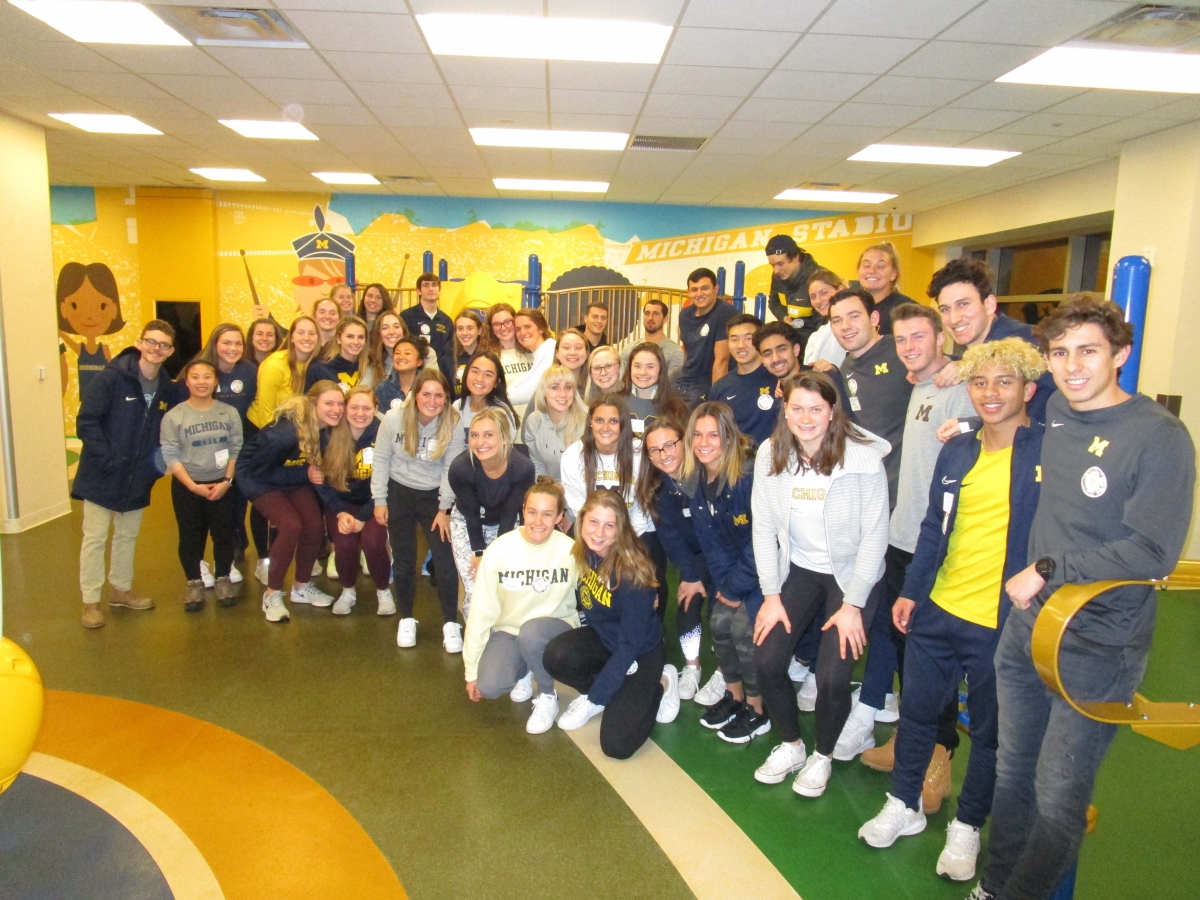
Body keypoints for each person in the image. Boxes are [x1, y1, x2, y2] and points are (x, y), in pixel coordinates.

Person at [973, 296, 1195, 900]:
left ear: (1120, 354)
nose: (1072, 367)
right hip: (1029, 628)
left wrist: (1049, 569)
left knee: (1058, 797)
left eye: (1088, 351)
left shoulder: (1160, 438)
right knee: (1012, 771)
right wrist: (965, 426)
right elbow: (1003, 408)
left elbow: (1153, 553)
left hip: (1100, 644)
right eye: (1060, 353)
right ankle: (993, 886)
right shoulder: (1058, 414)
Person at [857, 338, 1047, 884]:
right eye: (980, 383)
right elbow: (932, 528)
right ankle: (904, 803)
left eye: (1004, 382)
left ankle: (967, 826)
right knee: (918, 715)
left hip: (999, 622)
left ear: (1029, 389)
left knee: (989, 734)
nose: (990, 393)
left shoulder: (1046, 453)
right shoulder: (958, 449)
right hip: (938, 610)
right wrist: (912, 592)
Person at [749, 372, 890, 794]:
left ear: (832, 412)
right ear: (785, 409)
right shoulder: (771, 453)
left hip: (852, 575)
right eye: (797, 408)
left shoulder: (863, 459)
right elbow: (763, 528)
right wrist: (771, 595)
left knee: (832, 675)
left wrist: (853, 605)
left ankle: (822, 755)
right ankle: (792, 744)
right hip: (799, 568)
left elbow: (875, 536)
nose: (806, 418)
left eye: (816, 408)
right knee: (767, 658)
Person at [858, 303, 976, 797]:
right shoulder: (920, 386)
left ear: (940, 337)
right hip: (900, 536)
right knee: (907, 650)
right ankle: (912, 738)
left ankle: (939, 754)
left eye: (919, 337)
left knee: (933, 657)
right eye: (902, 339)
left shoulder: (959, 388)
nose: (909, 347)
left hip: (937, 546)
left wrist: (966, 366)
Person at [543, 489, 681, 759]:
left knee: (616, 745)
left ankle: (663, 681)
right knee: (556, 656)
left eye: (609, 525)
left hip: (639, 651)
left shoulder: (631, 571)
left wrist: (599, 695)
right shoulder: (584, 550)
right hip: (606, 639)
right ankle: (607, 691)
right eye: (594, 522)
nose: (599, 533)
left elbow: (630, 645)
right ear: (582, 520)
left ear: (620, 530)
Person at [74, 320, 177, 629]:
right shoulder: (112, 377)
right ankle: (90, 602)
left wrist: (154, 469)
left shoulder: (167, 388)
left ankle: (120, 590)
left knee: (127, 535)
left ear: (170, 351)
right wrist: (107, 458)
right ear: (139, 343)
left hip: (138, 477)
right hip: (102, 473)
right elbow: (87, 420)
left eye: (163, 345)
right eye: (151, 342)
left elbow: (166, 431)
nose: (156, 349)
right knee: (95, 537)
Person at [463, 478, 580, 735]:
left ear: (559, 516)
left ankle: (547, 695)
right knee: (489, 686)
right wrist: (471, 671)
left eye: (547, 514)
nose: (538, 521)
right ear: (523, 511)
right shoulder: (500, 549)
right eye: (532, 512)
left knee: (532, 632)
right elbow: (480, 612)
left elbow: (598, 587)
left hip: (555, 629)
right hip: (511, 632)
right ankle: (526, 665)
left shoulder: (571, 550)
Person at [679, 402, 767, 743]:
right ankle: (735, 695)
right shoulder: (696, 480)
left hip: (765, 572)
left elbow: (762, 543)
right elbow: (710, 543)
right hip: (731, 574)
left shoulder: (748, 477)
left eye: (713, 435)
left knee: (743, 629)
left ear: (728, 438)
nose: (704, 443)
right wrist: (726, 589)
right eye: (698, 435)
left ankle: (757, 709)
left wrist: (735, 589)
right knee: (717, 621)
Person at [371, 369, 466, 652]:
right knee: (403, 560)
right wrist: (379, 500)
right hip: (399, 492)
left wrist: (444, 508)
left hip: (434, 497)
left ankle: (450, 623)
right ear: (415, 395)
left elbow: (451, 467)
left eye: (439, 395)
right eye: (426, 394)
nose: (432, 401)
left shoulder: (453, 421)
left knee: (445, 561)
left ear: (446, 398)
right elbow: (381, 459)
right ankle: (406, 618)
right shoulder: (394, 418)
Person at [237, 381, 342, 622]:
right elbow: (259, 471)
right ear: (313, 404)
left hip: (292, 476)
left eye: (340, 403)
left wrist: (312, 471)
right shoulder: (283, 434)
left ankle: (301, 587)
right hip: (258, 479)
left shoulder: (327, 429)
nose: (336, 409)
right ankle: (272, 593)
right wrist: (306, 472)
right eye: (329, 403)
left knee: (314, 526)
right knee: (291, 526)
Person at [930, 257, 1057, 424]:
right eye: (945, 309)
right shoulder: (982, 347)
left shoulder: (1027, 343)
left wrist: (969, 425)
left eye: (963, 304)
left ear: (989, 304)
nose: (954, 319)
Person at [160, 359, 243, 611]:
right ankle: (193, 583)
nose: (201, 382)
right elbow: (170, 454)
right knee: (190, 537)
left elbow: (236, 448)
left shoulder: (229, 412)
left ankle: (223, 579)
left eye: (207, 376)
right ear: (187, 382)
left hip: (222, 485)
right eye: (195, 377)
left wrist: (227, 481)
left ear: (216, 381)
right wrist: (192, 486)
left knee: (224, 535)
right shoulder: (174, 416)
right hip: (188, 487)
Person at [637, 418, 710, 703]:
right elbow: (673, 542)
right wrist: (690, 576)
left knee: (725, 615)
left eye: (669, 445)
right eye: (654, 450)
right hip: (695, 558)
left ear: (685, 442)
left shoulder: (707, 474)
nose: (663, 454)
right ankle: (692, 666)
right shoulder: (658, 490)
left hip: (727, 555)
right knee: (687, 606)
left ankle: (727, 673)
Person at [313, 385, 393, 616]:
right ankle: (348, 590)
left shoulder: (384, 434)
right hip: (341, 502)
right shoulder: (328, 435)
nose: (360, 413)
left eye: (366, 408)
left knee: (373, 542)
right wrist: (340, 512)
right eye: (354, 407)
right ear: (345, 408)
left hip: (375, 501)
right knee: (345, 544)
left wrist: (363, 516)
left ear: (376, 409)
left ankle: (383, 591)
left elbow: (390, 480)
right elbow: (321, 482)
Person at [448, 408, 536, 616]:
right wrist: (479, 552)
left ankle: (503, 630)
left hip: (506, 523)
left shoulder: (523, 468)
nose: (480, 442)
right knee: (476, 588)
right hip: (468, 522)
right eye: (474, 435)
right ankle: (475, 634)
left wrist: (497, 555)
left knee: (505, 584)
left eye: (488, 434)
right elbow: (471, 514)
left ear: (504, 438)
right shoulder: (460, 469)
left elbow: (510, 514)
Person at [830, 288, 912, 506]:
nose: (845, 326)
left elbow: (940, 364)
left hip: (907, 489)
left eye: (854, 316)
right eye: (837, 320)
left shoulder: (901, 349)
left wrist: (954, 366)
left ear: (874, 318)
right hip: (872, 488)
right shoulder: (845, 367)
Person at [196, 323, 256, 583]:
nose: (233, 348)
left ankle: (230, 552)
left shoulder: (249, 371)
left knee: (235, 502)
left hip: (238, 448)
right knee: (205, 506)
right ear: (215, 343)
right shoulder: (202, 369)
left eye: (238, 343)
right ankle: (199, 560)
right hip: (204, 449)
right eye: (226, 342)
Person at [560, 394, 653, 536]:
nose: (605, 428)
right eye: (599, 420)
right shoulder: (572, 456)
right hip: (592, 527)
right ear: (590, 423)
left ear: (623, 423)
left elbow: (644, 508)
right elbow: (579, 506)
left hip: (635, 529)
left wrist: (622, 538)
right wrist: (600, 533)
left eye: (614, 421)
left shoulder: (641, 454)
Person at [708, 314, 778, 446]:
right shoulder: (720, 387)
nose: (741, 345)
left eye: (748, 338)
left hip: (771, 456)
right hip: (733, 456)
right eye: (734, 339)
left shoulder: (778, 380)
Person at [675, 268, 736, 406]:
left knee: (692, 410)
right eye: (694, 290)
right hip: (689, 378)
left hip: (708, 380)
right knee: (662, 400)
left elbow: (722, 360)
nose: (699, 294)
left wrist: (716, 402)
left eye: (705, 288)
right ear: (688, 292)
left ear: (716, 289)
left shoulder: (725, 312)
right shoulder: (684, 315)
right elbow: (687, 351)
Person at [248, 316, 320, 433]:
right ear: (291, 338)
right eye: (301, 333)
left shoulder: (316, 365)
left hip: (290, 428)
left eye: (312, 333)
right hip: (262, 429)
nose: (307, 338)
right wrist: (274, 439)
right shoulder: (274, 364)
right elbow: (265, 413)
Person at [522, 365, 588, 482]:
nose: (563, 394)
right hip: (550, 488)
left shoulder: (587, 423)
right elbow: (537, 462)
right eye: (555, 387)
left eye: (568, 387)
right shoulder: (534, 421)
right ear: (543, 392)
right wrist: (548, 489)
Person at [618, 342, 688, 448]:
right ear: (630, 368)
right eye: (637, 366)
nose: (642, 372)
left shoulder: (676, 408)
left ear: (660, 370)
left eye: (650, 367)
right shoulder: (615, 404)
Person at [765, 234, 821, 340]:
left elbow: (824, 324)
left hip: (815, 341)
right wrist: (783, 317)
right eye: (773, 265)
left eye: (780, 264)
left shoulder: (819, 279)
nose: (776, 270)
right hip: (792, 340)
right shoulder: (777, 276)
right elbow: (773, 302)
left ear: (796, 258)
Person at [401, 273, 454, 383]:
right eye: (426, 285)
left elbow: (450, 351)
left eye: (434, 285)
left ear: (440, 290)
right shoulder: (406, 317)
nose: (430, 289)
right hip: (413, 374)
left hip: (439, 375)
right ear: (418, 291)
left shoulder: (446, 321)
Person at [452, 351, 519, 438]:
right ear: (466, 374)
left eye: (488, 375)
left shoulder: (501, 413)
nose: (479, 379)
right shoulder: (457, 406)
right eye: (475, 371)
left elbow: (505, 445)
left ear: (496, 382)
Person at [507, 308, 557, 416]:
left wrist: (491, 397)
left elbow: (528, 391)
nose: (522, 333)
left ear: (541, 328)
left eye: (527, 326)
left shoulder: (550, 349)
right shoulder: (540, 352)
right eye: (518, 329)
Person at [621, 299, 683, 383]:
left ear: (665, 319)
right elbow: (622, 381)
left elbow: (672, 385)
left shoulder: (675, 352)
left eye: (656, 314)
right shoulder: (629, 349)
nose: (650, 318)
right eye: (647, 313)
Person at [856, 242, 911, 335]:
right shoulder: (853, 306)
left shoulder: (906, 310)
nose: (871, 270)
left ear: (893, 274)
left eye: (881, 266)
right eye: (866, 265)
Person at [305, 315, 368, 392]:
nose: (356, 342)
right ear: (338, 339)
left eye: (361, 337)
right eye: (350, 336)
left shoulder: (369, 367)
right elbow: (309, 398)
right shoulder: (319, 368)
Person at [803, 268, 849, 370]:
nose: (818, 301)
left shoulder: (853, 328)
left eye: (823, 293)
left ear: (840, 289)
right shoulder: (815, 337)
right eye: (813, 297)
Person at [481, 303, 533, 390]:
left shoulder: (531, 350)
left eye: (507, 322)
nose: (503, 328)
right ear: (491, 329)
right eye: (497, 324)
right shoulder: (489, 358)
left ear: (515, 322)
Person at [374, 335, 427, 412]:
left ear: (419, 362)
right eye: (397, 353)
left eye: (407, 353)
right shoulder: (383, 389)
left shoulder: (427, 387)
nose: (401, 357)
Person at [452, 310, 482, 396]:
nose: (465, 333)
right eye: (460, 329)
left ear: (479, 330)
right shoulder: (447, 359)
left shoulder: (488, 358)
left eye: (470, 328)